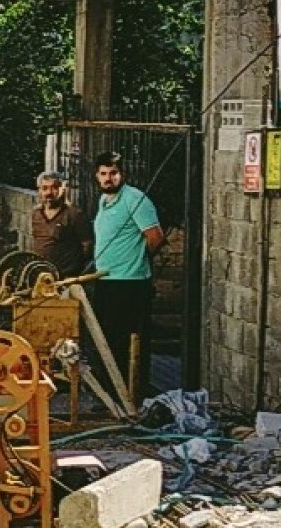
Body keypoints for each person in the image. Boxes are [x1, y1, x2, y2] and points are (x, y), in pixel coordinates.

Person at [91, 152, 164, 397]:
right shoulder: (104, 200)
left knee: (129, 341)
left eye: (113, 173)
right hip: (105, 280)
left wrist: (135, 260)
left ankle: (133, 393)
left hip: (129, 283)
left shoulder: (135, 199)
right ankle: (112, 394)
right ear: (97, 176)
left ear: (122, 174)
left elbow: (155, 237)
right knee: (107, 341)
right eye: (103, 174)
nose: (108, 178)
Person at [31, 171, 93, 278]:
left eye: (54, 187)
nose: (49, 192)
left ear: (62, 190)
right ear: (39, 190)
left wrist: (74, 269)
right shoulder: (36, 214)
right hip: (42, 275)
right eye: (44, 188)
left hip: (66, 277)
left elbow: (87, 245)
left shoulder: (74, 215)